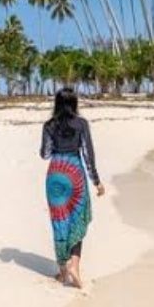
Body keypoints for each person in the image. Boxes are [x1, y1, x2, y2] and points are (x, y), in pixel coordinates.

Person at [40, 87, 104, 288]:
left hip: (56, 174)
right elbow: (87, 154)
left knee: (59, 221)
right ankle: (74, 266)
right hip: (75, 172)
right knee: (77, 220)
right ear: (74, 103)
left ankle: (62, 271)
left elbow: (45, 154)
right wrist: (96, 181)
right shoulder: (81, 124)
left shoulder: (49, 125)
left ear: (56, 104)